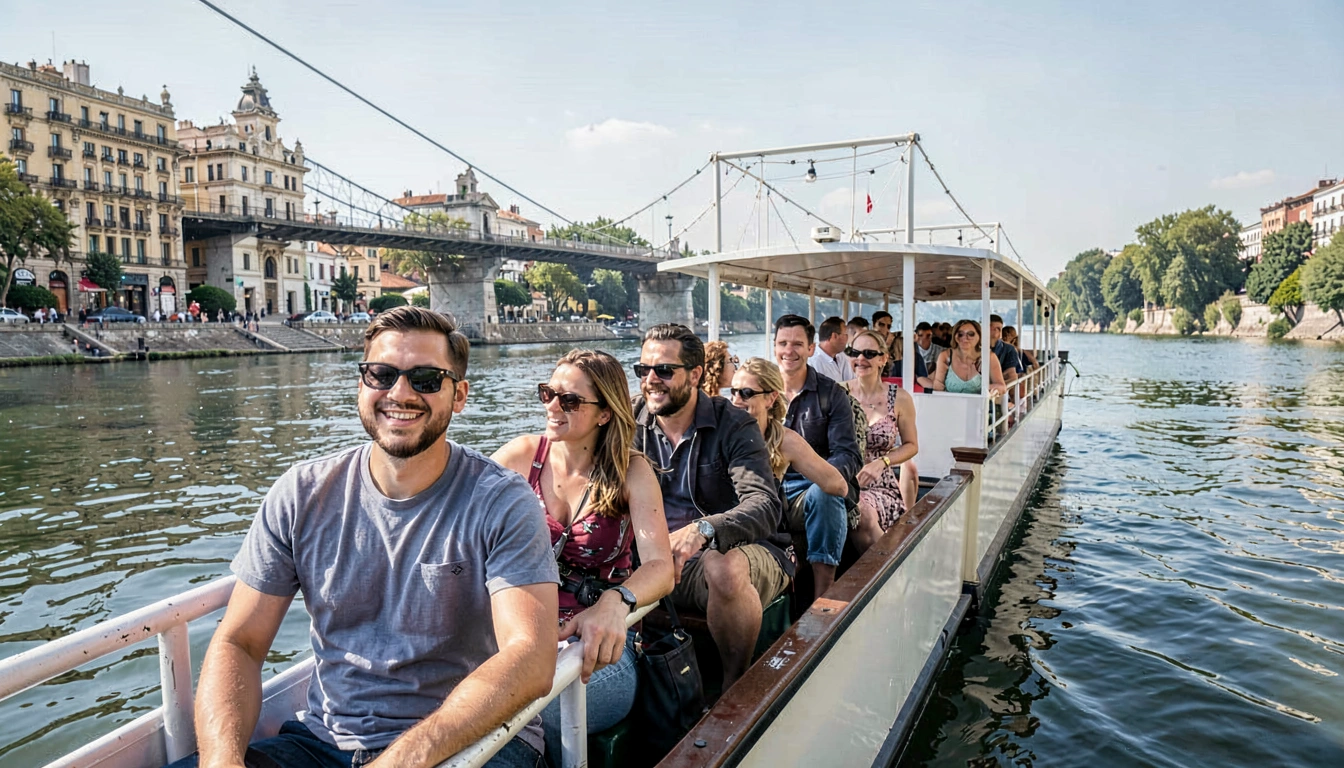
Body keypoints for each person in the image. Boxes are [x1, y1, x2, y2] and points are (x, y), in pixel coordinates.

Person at [168, 307, 559, 768]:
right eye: (381, 374)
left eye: (427, 380)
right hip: (324, 742)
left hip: (478, 741)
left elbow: (530, 656)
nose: (400, 393)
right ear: (361, 384)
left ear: (459, 396)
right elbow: (240, 643)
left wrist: (399, 761)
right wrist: (222, 762)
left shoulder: (501, 500)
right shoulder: (302, 493)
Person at [493, 350, 673, 760]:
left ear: (604, 414)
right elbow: (461, 529)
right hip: (522, 631)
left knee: (548, 705)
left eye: (569, 400)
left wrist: (616, 602)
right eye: (548, 393)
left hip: (600, 644)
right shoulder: (521, 457)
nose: (553, 407)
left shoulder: (632, 471)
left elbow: (662, 568)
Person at [632, 323, 786, 687]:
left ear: (696, 374)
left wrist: (704, 530)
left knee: (724, 568)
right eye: (644, 370)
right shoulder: (629, 420)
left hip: (741, 549)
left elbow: (765, 504)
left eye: (664, 370)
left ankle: (733, 689)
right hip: (658, 558)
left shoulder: (734, 424)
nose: (652, 379)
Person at [773, 314, 861, 602]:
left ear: (811, 349)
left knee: (824, 494)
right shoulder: (762, 391)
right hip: (768, 485)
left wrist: (824, 477)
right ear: (774, 347)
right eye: (783, 343)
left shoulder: (831, 394)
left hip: (812, 485)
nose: (789, 351)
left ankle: (823, 595)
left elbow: (847, 453)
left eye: (797, 344)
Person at [839, 331, 920, 552]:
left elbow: (911, 445)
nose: (861, 359)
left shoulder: (900, 398)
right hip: (842, 480)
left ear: (883, 359)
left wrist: (882, 462)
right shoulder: (838, 393)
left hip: (880, 486)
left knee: (862, 513)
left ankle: (887, 565)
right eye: (854, 353)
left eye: (869, 353)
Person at [729, 357, 847, 496]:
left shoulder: (785, 441)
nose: (736, 400)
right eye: (733, 391)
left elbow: (838, 485)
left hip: (766, 513)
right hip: (721, 515)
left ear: (771, 398)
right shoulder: (720, 435)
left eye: (746, 393)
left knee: (826, 497)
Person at [931, 319, 1007, 397]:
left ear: (979, 336)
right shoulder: (945, 356)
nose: (965, 337)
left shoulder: (989, 357)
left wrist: (990, 390)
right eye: (960, 334)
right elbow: (938, 387)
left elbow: (1002, 386)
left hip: (980, 407)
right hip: (951, 406)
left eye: (971, 334)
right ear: (955, 336)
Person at [808, 316, 854, 383]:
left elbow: (852, 382)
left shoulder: (841, 356)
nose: (847, 339)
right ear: (834, 336)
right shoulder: (813, 362)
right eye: (845, 335)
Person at [989, 314, 1022, 385]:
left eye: (998, 329)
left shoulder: (1008, 349)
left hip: (997, 390)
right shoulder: (975, 347)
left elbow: (1012, 376)